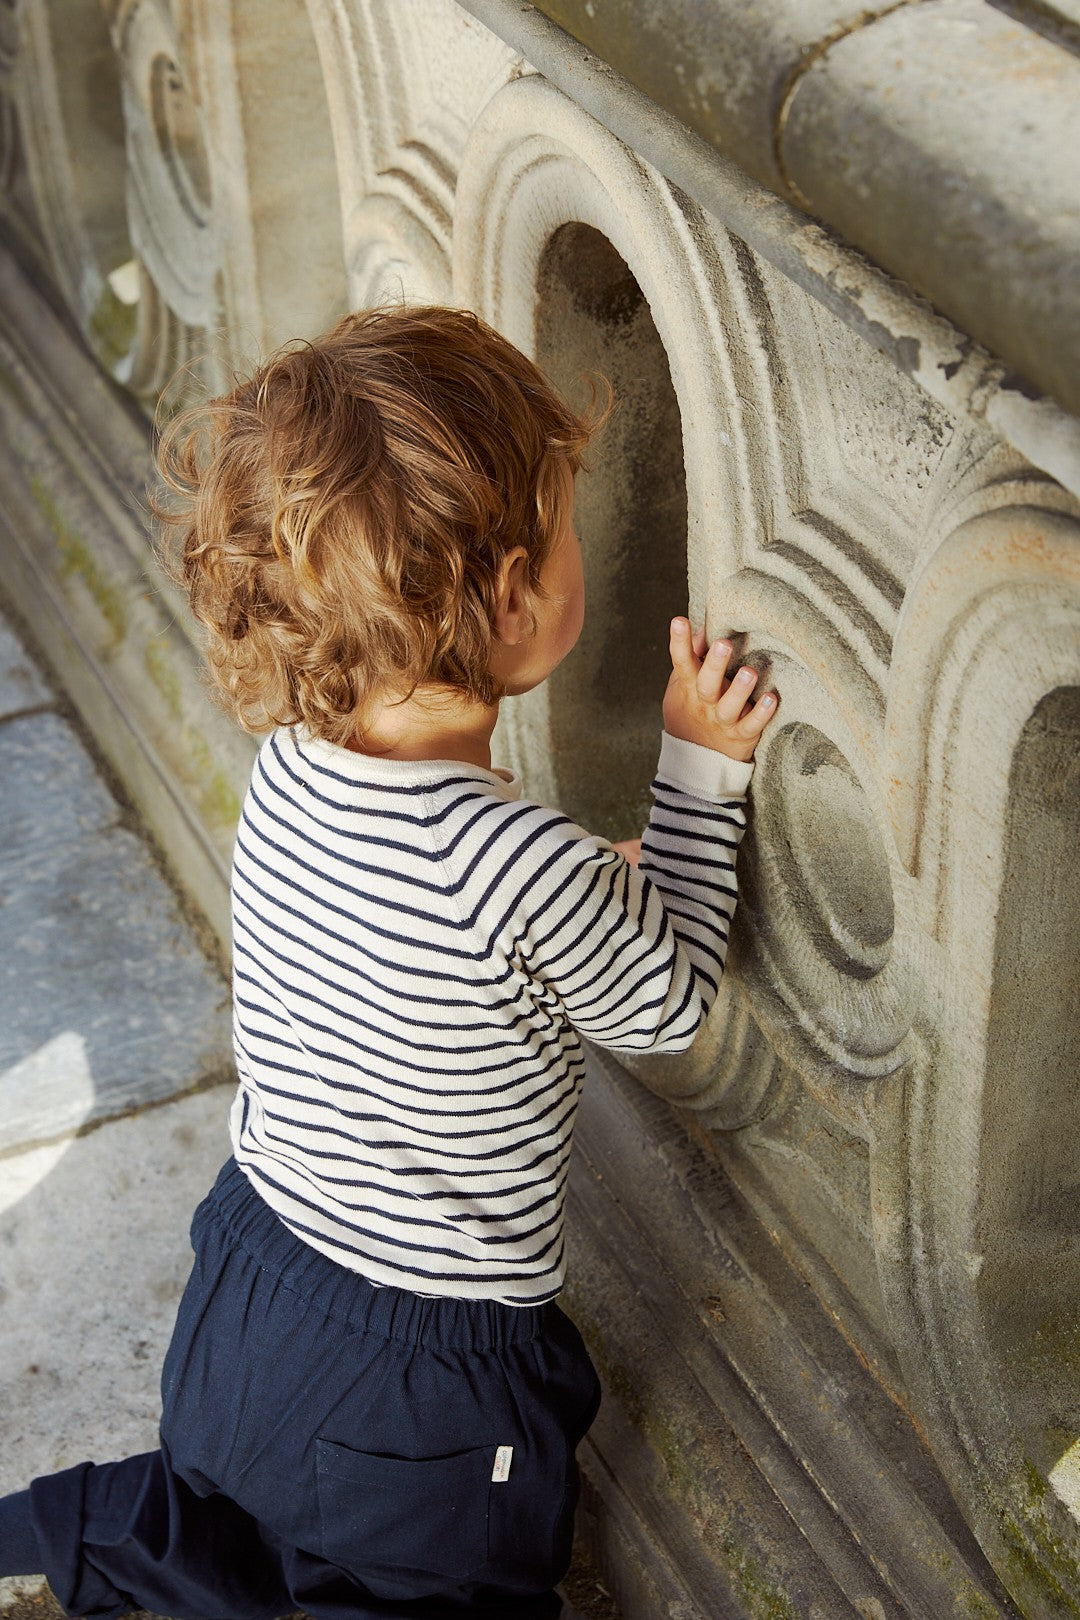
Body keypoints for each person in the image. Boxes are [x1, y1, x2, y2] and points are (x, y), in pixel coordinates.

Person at [0, 305, 776, 1620]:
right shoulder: (520, 867)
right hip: (423, 1380)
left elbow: (440, 932)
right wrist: (702, 767)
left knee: (246, 1547)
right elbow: (671, 997)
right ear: (519, 594)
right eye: (568, 519)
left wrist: (588, 890)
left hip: (250, 1282)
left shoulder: (294, 774)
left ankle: (97, 1554)